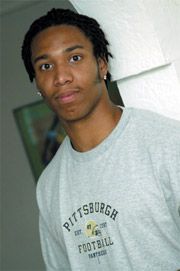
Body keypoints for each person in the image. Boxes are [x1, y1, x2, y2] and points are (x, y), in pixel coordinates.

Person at [21, 8, 180, 271]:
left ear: (102, 64)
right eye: (46, 66)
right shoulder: (49, 187)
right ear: (38, 84)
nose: (61, 77)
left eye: (74, 58)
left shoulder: (167, 145)